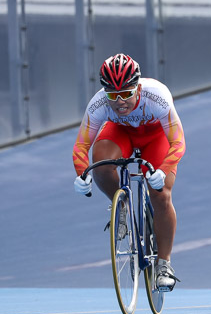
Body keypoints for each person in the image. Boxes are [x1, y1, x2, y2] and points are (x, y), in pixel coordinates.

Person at [72, 53, 185, 291]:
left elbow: (178, 143)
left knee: (161, 194)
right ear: (105, 93)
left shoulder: (158, 97)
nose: (120, 102)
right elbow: (81, 146)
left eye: (126, 94)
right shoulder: (98, 104)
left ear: (138, 88)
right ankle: (120, 205)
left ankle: (164, 264)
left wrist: (163, 171)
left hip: (155, 137)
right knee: (101, 164)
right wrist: (82, 173)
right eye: (113, 96)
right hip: (120, 133)